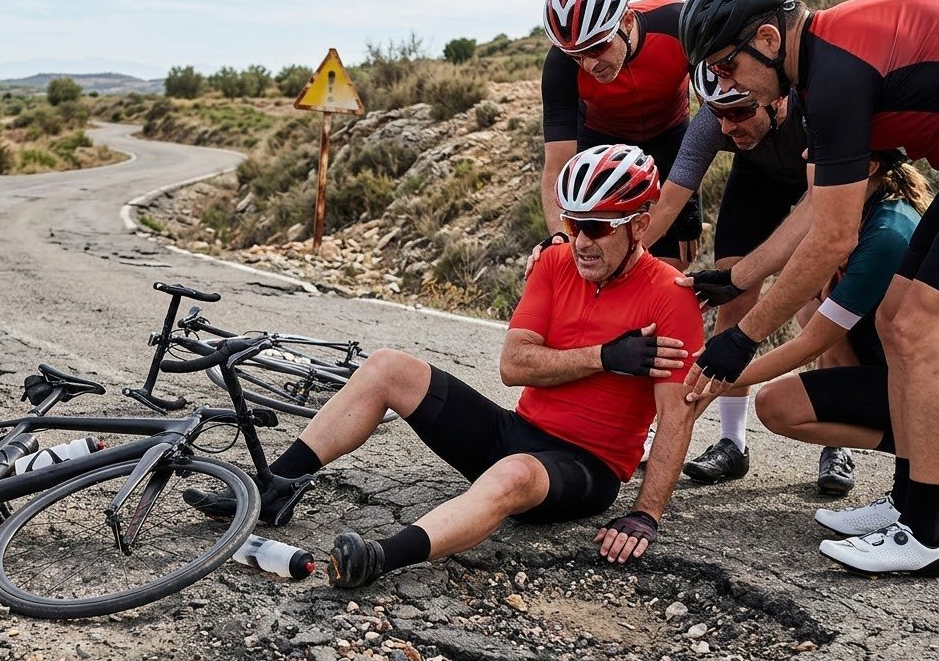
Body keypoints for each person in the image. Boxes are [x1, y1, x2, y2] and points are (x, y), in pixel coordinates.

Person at [196, 145, 705, 588]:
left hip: (586, 467)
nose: (581, 241)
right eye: (572, 224)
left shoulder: (669, 299)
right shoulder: (554, 262)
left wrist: (645, 513)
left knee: (510, 475)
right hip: (518, 431)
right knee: (388, 366)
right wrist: (605, 357)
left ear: (640, 224)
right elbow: (513, 365)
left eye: (596, 227)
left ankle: (378, 558)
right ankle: (275, 486)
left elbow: (677, 416)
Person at [678, 0, 939, 575]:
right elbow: (816, 212)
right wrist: (738, 277)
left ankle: (926, 533)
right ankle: (910, 501)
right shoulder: (821, 69)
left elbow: (832, 238)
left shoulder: (834, 74)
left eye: (726, 65)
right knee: (899, 316)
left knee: (917, 321)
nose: (725, 83)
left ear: (768, 41)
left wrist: (741, 339)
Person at [722, 152, 926, 537]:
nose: (802, 155)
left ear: (868, 167)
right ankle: (907, 477)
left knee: (776, 404)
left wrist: (722, 378)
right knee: (816, 309)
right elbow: (807, 314)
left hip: (921, 383)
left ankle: (917, 457)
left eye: (821, 149)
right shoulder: (863, 210)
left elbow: (812, 343)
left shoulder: (888, 232)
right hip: (893, 370)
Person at [642, 63, 811, 485]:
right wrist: (616, 257)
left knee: (819, 294)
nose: (726, 125)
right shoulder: (713, 122)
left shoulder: (816, 104)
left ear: (778, 95)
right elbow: (667, 204)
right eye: (716, 112)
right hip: (758, 180)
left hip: (823, 181)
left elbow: (826, 216)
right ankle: (733, 443)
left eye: (738, 112)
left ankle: (835, 447)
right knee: (732, 298)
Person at [540, 0, 702, 270]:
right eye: (576, 56)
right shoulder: (559, 65)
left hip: (670, 136)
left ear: (626, 20)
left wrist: (689, 201)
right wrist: (562, 238)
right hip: (603, 141)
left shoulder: (677, 23)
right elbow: (556, 166)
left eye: (596, 48)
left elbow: (712, 116)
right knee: (596, 254)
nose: (589, 64)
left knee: (668, 264)